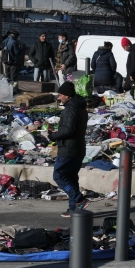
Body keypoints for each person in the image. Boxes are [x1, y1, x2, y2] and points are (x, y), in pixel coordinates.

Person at [48, 81, 90, 217]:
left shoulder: (71, 108)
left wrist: (53, 135)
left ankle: (78, 199)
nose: (59, 98)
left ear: (67, 96)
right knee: (71, 178)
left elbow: (68, 129)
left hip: (69, 148)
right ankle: (74, 209)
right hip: (78, 148)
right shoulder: (80, 107)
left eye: (60, 95)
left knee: (59, 175)